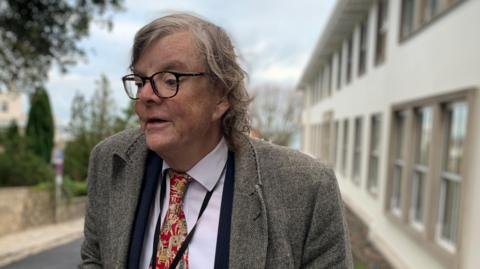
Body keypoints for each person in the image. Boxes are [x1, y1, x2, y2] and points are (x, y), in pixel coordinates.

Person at [80, 12, 352, 269]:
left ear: (221, 94)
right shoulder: (110, 160)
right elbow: (94, 258)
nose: (146, 96)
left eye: (169, 79)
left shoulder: (307, 187)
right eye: (141, 81)